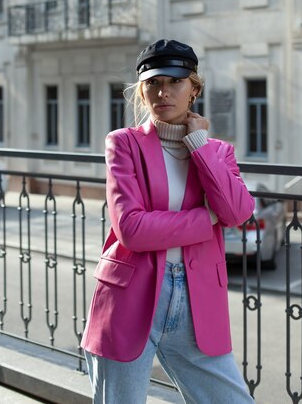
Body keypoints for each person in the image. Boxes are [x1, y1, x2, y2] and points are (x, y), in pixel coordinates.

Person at [81, 39, 255, 404]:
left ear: (194, 88)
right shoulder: (123, 143)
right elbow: (132, 230)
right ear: (141, 90)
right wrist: (206, 216)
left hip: (198, 299)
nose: (163, 91)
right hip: (129, 296)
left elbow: (238, 212)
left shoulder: (218, 151)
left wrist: (199, 144)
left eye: (175, 81)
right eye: (153, 82)